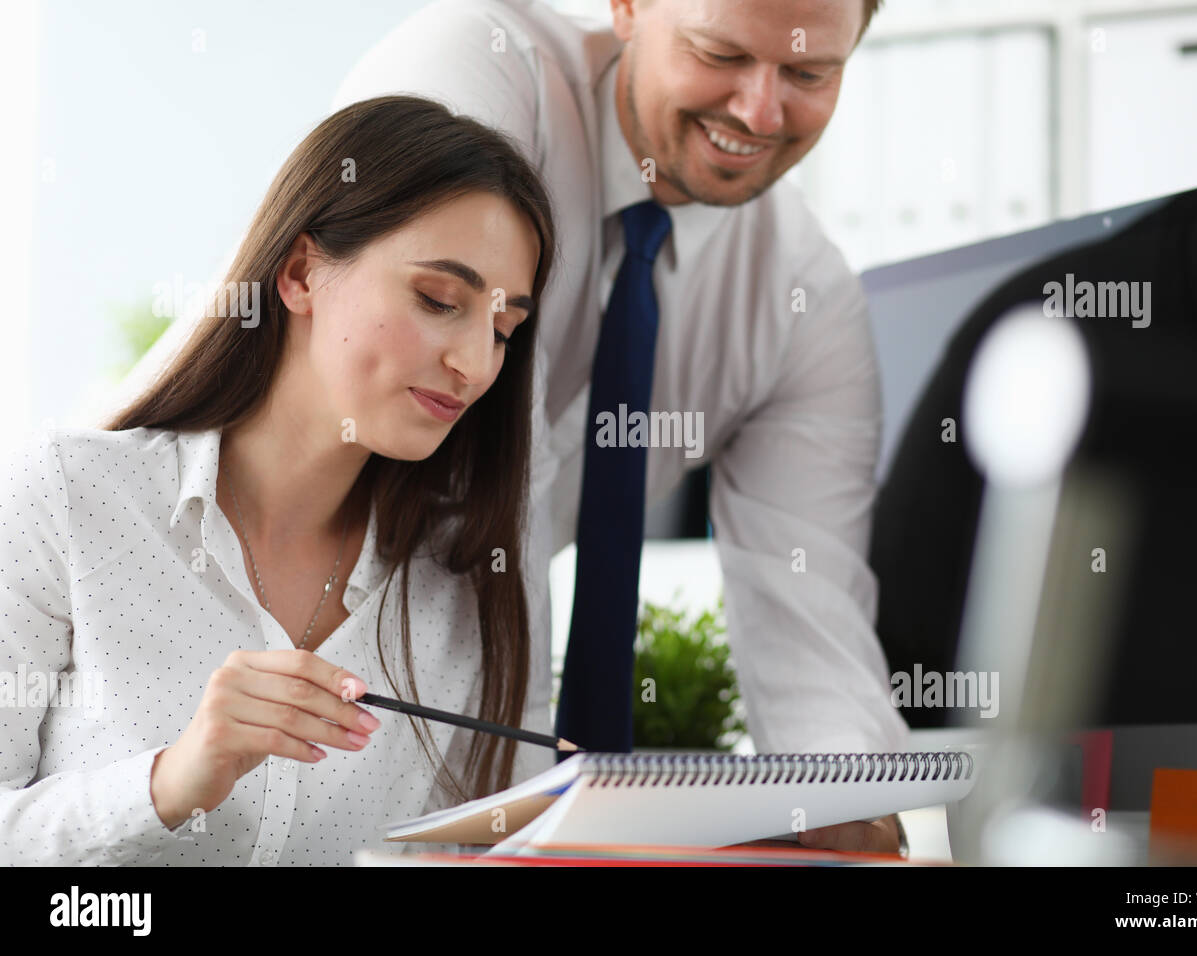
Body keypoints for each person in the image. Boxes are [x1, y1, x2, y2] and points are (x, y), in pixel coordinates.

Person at [327, 0, 908, 854]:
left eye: (809, 73)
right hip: (196, 634)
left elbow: (812, 621)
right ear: (627, 8)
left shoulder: (804, 295)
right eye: (719, 53)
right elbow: (478, 485)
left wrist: (852, 815)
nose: (760, 111)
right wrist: (537, 826)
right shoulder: (478, 74)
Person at [0, 95, 557, 865]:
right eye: (438, 300)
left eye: (503, 329)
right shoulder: (69, 495)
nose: (476, 363)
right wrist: (171, 780)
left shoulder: (467, 579)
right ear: (300, 273)